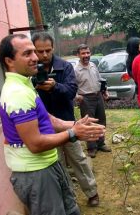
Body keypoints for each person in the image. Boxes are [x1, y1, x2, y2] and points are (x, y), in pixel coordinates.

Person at [0, 34, 105, 215]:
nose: (36, 57)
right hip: (36, 172)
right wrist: (73, 132)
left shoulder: (25, 84)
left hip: (47, 165)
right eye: (28, 53)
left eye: (35, 52)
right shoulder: (17, 93)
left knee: (70, 206)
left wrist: (75, 124)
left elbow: (47, 118)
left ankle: (91, 192)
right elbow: (35, 143)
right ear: (9, 61)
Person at [32, 32, 100, 207]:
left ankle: (92, 192)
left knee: (78, 159)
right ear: (34, 50)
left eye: (48, 50)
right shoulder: (31, 70)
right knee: (58, 164)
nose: (44, 55)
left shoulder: (64, 67)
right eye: (40, 51)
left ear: (53, 48)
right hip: (44, 126)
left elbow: (71, 92)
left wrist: (55, 86)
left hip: (66, 122)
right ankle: (68, 198)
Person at [74, 44, 111, 158]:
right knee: (89, 123)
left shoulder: (93, 65)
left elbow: (100, 80)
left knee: (101, 121)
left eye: (88, 53)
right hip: (86, 99)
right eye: (83, 53)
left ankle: (101, 143)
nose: (86, 55)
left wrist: (105, 91)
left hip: (98, 96)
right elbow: (72, 86)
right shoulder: (76, 70)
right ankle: (91, 147)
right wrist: (76, 96)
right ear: (78, 55)